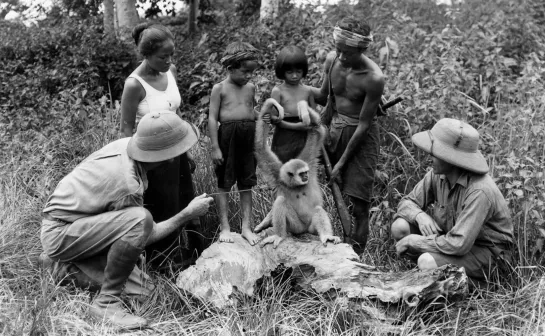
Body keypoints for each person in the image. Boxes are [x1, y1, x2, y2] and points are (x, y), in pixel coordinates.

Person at [40, 112, 214, 329]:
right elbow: (145, 234)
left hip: (81, 223)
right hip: (61, 233)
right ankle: (104, 302)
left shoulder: (127, 146)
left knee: (146, 291)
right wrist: (187, 214)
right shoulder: (128, 185)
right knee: (140, 220)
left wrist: (181, 155)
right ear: (167, 156)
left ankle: (65, 262)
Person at [391, 118, 515, 283]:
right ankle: (437, 274)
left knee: (426, 262)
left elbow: (458, 244)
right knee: (400, 226)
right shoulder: (438, 175)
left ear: (451, 158)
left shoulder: (479, 190)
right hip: (452, 241)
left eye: (435, 153)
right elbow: (406, 203)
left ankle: (474, 284)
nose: (429, 157)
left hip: (489, 253)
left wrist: (416, 241)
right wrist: (420, 216)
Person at [119, 23, 201, 267]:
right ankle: (163, 261)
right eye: (162, 56)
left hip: (177, 149)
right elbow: (125, 131)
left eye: (171, 55)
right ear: (146, 54)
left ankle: (194, 251)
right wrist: (132, 170)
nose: (168, 60)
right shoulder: (134, 85)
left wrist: (185, 150)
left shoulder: (170, 71)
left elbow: (176, 111)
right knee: (163, 205)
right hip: (152, 158)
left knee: (186, 197)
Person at [311, 17, 385, 252]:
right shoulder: (333, 61)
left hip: (361, 140)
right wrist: (293, 91)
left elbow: (364, 125)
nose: (342, 57)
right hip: (334, 129)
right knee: (309, 183)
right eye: (338, 50)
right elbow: (324, 97)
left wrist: (340, 164)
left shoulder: (374, 78)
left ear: (363, 49)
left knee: (359, 205)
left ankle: (357, 259)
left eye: (349, 53)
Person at [208, 41, 261, 246]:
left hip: (248, 138)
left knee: (246, 183)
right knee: (224, 183)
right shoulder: (219, 89)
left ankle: (246, 227)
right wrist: (215, 147)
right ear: (230, 68)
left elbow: (250, 111)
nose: (248, 76)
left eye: (251, 72)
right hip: (227, 138)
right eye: (244, 71)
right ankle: (225, 227)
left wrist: (263, 116)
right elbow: (213, 118)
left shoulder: (250, 88)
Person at [269, 45, 316, 163]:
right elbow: (273, 118)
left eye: (298, 72)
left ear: (303, 71)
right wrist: (296, 127)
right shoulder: (278, 91)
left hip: (304, 136)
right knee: (284, 169)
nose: (294, 76)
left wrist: (311, 123)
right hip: (284, 137)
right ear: (282, 72)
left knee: (303, 169)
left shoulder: (307, 91)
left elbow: (314, 114)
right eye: (290, 72)